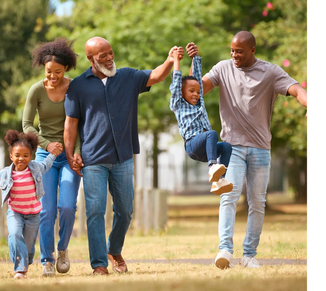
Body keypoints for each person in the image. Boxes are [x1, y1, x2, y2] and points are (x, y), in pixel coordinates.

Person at [186, 31, 310, 269]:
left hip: (261, 148)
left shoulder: (271, 72)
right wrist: (194, 62)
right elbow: (197, 90)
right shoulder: (223, 68)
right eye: (232, 50)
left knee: (257, 202)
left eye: (239, 51)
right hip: (232, 147)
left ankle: (249, 255)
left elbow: (297, 91)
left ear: (252, 50)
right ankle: (225, 250)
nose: (234, 55)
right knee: (228, 196)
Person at [64, 36, 184, 275]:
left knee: (126, 210)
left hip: (123, 157)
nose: (109, 58)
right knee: (96, 211)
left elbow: (156, 76)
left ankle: (114, 248)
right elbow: (71, 124)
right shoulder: (78, 85)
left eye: (111, 53)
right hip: (93, 160)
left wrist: (170, 60)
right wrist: (70, 155)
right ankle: (99, 264)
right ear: (90, 59)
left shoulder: (127, 76)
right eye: (103, 56)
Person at [22, 37, 82, 276]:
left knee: (67, 206)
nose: (53, 76)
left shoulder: (75, 87)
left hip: (69, 155)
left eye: (58, 71)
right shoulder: (36, 90)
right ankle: (46, 259)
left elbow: (81, 123)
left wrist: (75, 151)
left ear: (66, 67)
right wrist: (47, 143)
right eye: (49, 72)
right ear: (43, 68)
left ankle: (63, 249)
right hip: (45, 155)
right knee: (46, 211)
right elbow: (27, 124)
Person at [0, 130, 60, 279]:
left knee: (28, 246)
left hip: (33, 215)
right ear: (11, 156)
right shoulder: (6, 173)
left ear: (30, 156)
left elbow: (47, 164)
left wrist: (54, 154)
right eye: (17, 156)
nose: (21, 159)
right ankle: (20, 269)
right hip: (15, 212)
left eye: (25, 156)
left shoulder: (35, 168)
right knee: (15, 234)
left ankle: (26, 260)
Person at [170, 45, 233, 195]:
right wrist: (176, 60)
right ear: (181, 92)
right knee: (211, 133)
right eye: (191, 91)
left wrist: (195, 58)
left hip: (206, 149)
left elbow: (197, 79)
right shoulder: (178, 104)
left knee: (226, 147)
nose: (196, 94)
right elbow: (176, 81)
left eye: (198, 92)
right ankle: (212, 167)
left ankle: (219, 180)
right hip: (193, 145)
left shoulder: (200, 103)